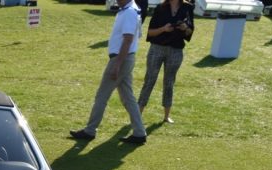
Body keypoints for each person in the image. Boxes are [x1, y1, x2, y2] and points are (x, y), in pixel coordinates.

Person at [70, 0, 147, 145]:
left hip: (121, 59)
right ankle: (139, 133)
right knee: (128, 98)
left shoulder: (129, 12)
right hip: (125, 58)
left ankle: (90, 130)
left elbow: (128, 39)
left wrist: (117, 64)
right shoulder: (130, 9)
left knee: (102, 95)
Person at [137, 0, 194, 124]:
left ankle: (166, 116)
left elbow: (190, 32)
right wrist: (163, 29)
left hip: (176, 51)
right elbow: (150, 32)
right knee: (149, 80)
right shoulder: (160, 8)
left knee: (169, 83)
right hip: (157, 49)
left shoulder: (187, 8)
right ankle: (138, 114)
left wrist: (185, 28)